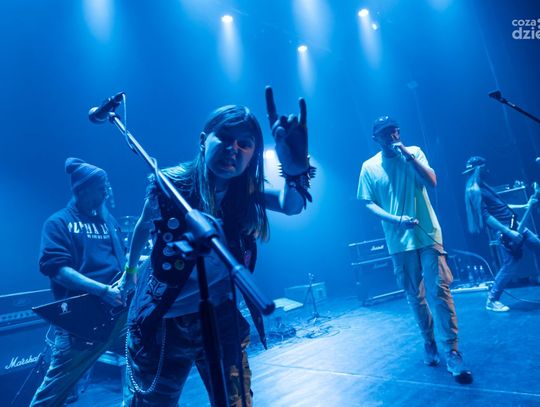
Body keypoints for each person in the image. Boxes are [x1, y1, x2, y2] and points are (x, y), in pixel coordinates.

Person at [123, 87, 314, 406]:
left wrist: (294, 170)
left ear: (253, 154)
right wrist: (129, 270)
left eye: (244, 144)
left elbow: (291, 205)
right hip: (165, 319)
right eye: (225, 138)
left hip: (219, 315)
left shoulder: (246, 193)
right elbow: (143, 225)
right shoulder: (171, 184)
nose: (233, 149)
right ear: (203, 140)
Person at [356, 116, 472, 383]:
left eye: (395, 131)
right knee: (415, 296)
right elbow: (367, 203)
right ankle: (429, 341)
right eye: (386, 133)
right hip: (399, 241)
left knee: (439, 291)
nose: (393, 136)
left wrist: (407, 155)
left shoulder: (415, 152)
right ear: (376, 138)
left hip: (428, 234)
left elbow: (432, 181)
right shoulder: (369, 167)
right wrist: (396, 220)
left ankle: (452, 350)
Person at [31, 158, 128, 406]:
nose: (106, 192)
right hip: (81, 321)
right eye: (101, 187)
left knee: (145, 363)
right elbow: (58, 271)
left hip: (118, 316)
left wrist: (132, 275)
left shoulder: (109, 221)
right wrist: (103, 291)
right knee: (53, 392)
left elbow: (124, 261)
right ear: (82, 189)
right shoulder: (59, 222)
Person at [463, 156, 540, 312]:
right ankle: (492, 300)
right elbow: (485, 216)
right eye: (484, 167)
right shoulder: (474, 190)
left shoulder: (483, 185)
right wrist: (508, 232)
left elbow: (501, 205)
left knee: (537, 245)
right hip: (505, 230)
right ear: (478, 169)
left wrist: (523, 206)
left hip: (514, 225)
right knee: (509, 266)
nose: (487, 170)